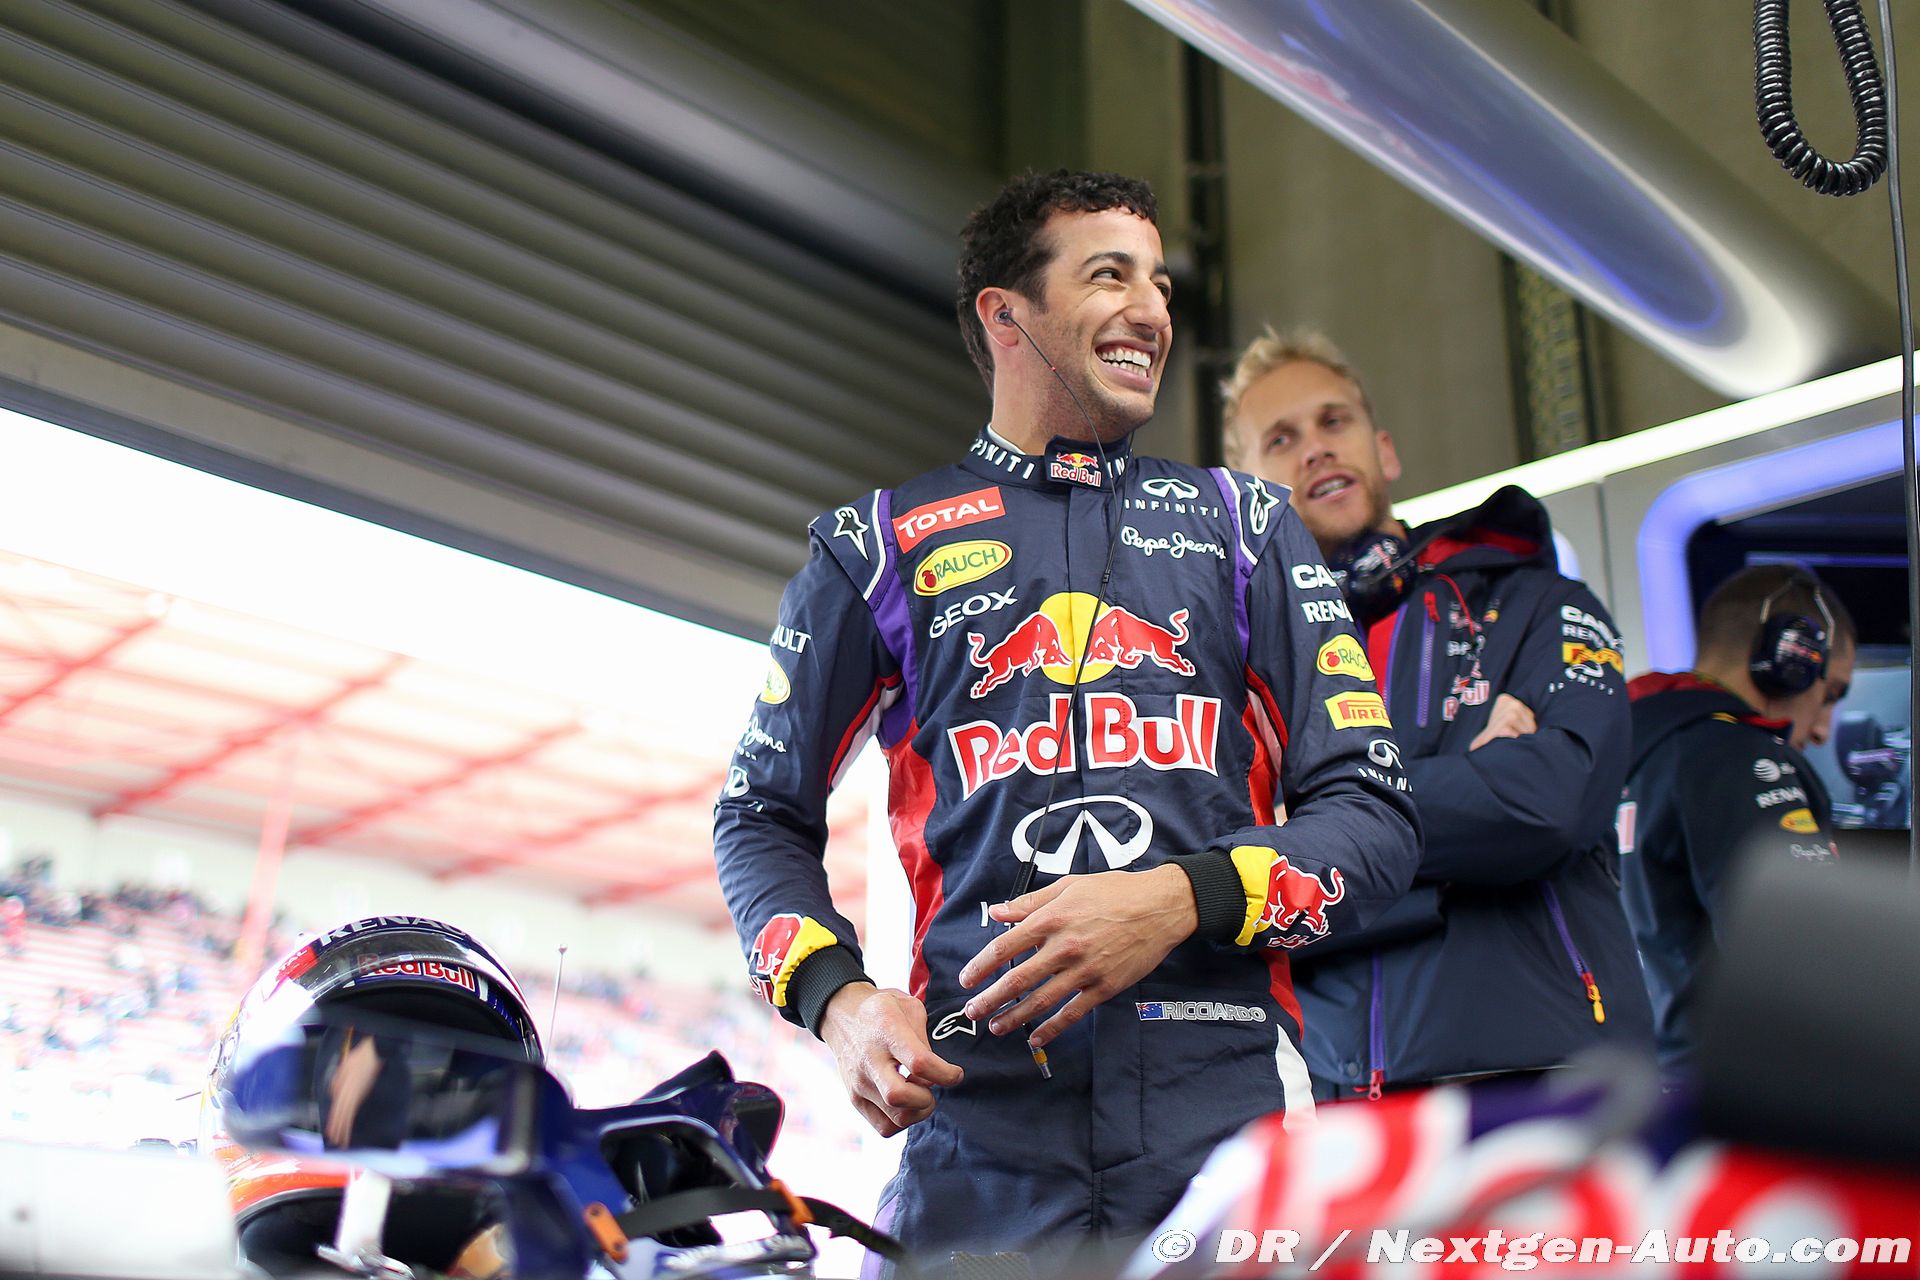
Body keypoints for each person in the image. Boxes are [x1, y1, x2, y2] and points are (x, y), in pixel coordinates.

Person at [713, 174, 1421, 1267]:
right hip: (974, 1129)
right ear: (1007, 315)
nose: (1152, 310)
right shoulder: (876, 545)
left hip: (1228, 1118)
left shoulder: (1246, 526)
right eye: (1109, 275)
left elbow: (1375, 816)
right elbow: (758, 814)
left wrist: (1179, 896)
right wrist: (839, 1001)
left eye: (1159, 284)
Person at [1220, 326, 1652, 1101]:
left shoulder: (1536, 602)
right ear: (1248, 495)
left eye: (1333, 421)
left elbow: (1550, 803)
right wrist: (1458, 803)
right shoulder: (1237, 675)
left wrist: (1309, 831)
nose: (1316, 448)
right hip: (1328, 1104)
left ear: (1383, 450)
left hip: (1546, 1080)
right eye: (1281, 439)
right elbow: (1219, 887)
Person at [1618, 564, 1855, 1071]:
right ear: (1787, 662)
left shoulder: (1609, 754)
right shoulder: (1741, 760)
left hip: (1638, 1080)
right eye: (1830, 693)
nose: (1823, 729)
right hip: (1740, 1087)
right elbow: (1809, 965)